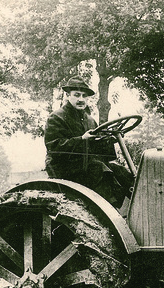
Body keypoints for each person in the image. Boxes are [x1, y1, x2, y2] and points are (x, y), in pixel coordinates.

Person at [44, 76, 133, 208]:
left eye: (84, 96)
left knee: (121, 171)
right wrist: (81, 139)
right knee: (99, 169)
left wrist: (111, 140)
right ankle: (107, 211)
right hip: (64, 167)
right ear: (68, 95)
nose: (81, 99)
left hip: (86, 164)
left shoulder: (90, 120)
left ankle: (136, 205)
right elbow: (55, 148)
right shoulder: (56, 118)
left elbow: (98, 150)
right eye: (77, 95)